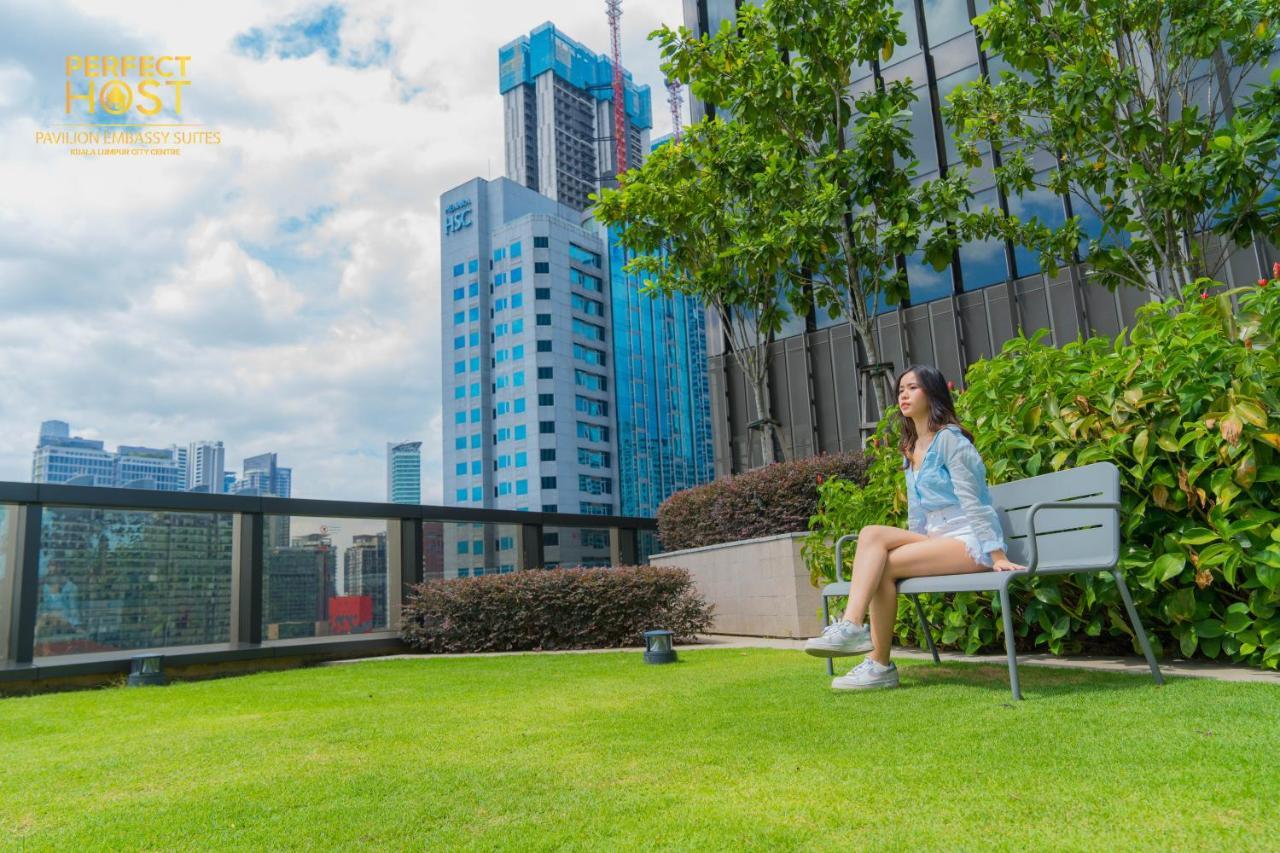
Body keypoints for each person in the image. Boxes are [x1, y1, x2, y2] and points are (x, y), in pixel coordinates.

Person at [803, 364, 1023, 690]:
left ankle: (873, 658)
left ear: (932, 393)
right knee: (871, 536)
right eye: (900, 390)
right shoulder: (911, 448)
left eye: (912, 388)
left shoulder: (951, 441)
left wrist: (996, 553)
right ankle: (856, 633)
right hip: (936, 537)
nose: (903, 395)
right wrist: (914, 543)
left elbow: (974, 499)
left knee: (883, 564)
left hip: (969, 539)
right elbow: (917, 512)